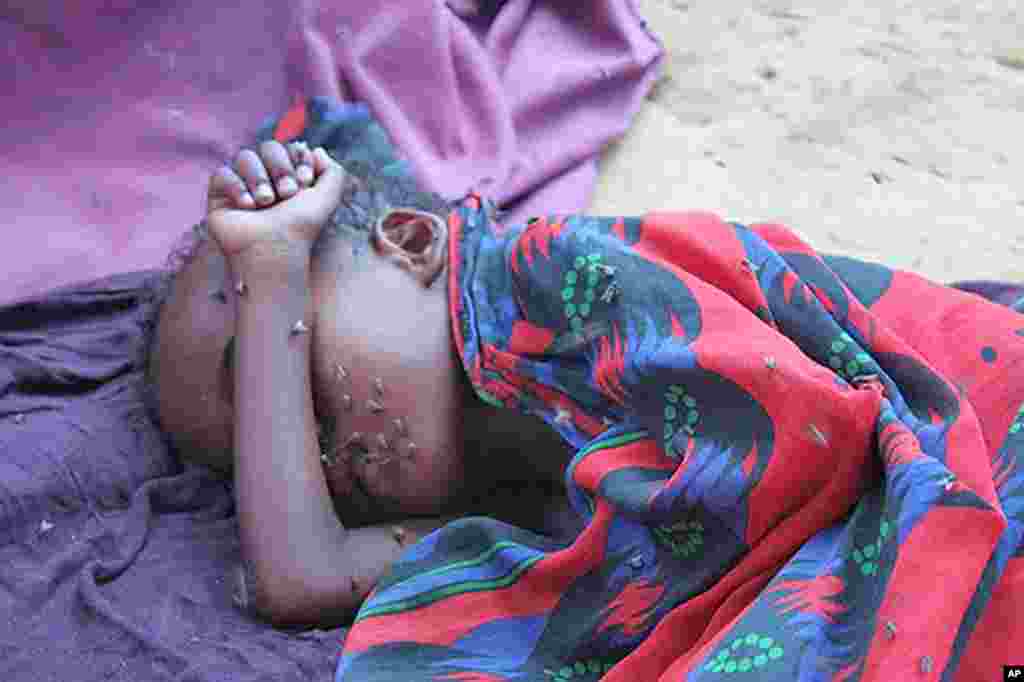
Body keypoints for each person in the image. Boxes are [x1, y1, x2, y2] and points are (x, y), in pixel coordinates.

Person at [145, 137, 581, 627]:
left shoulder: (575, 288)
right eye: (252, 462)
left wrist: (272, 269)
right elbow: (302, 579)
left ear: (412, 244)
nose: (306, 466)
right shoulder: (513, 534)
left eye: (293, 379)